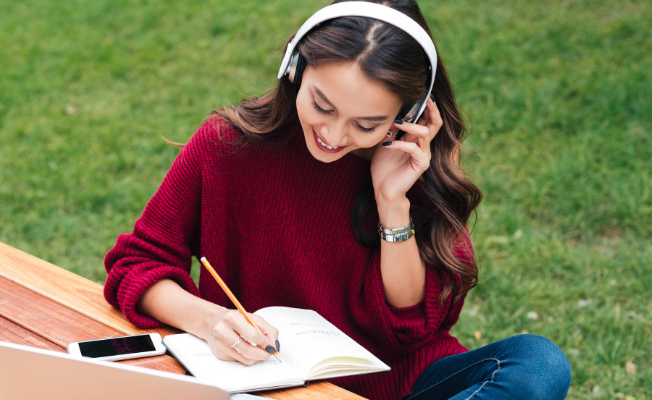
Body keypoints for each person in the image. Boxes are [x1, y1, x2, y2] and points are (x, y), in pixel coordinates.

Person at [103, 1, 572, 399]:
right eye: (322, 105)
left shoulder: (412, 168)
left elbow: (409, 326)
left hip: (397, 383)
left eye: (366, 124)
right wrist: (210, 322)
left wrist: (393, 199)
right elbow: (137, 264)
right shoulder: (226, 146)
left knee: (539, 363)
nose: (333, 134)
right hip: (268, 381)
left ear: (407, 114)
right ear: (294, 69)